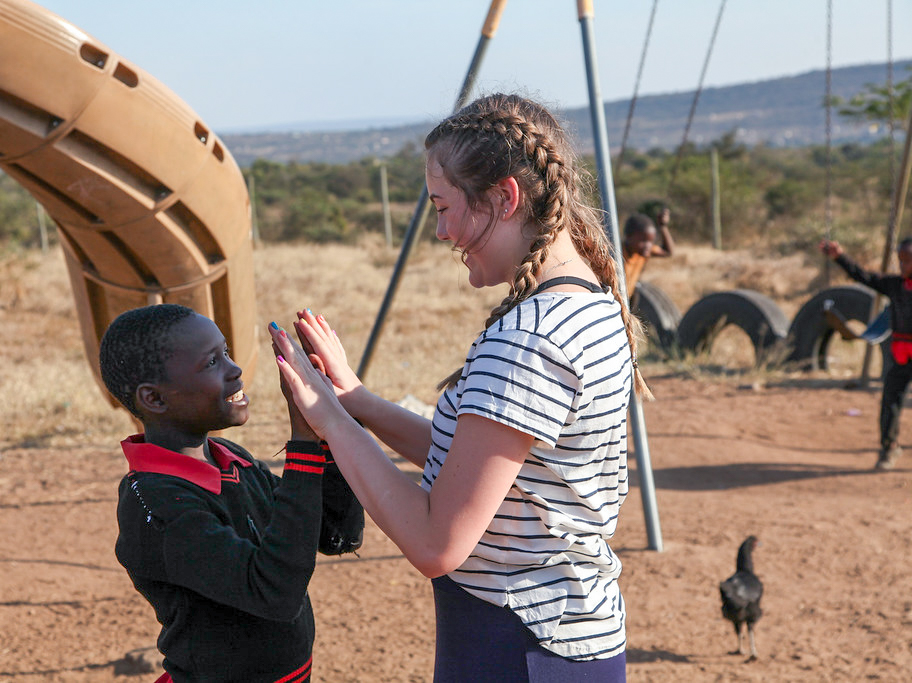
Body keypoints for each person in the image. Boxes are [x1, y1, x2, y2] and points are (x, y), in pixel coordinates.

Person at [270, 93, 651, 682]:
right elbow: (485, 472)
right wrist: (357, 401)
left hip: (514, 647)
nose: (443, 231)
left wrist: (332, 424)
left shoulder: (530, 339)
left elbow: (435, 543)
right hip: (563, 644)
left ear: (504, 197)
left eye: (444, 207)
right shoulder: (589, 304)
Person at [98, 303, 362, 683]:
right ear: (154, 399)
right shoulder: (156, 505)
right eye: (211, 363)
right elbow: (276, 594)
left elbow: (337, 535)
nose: (234, 369)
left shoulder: (231, 461)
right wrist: (303, 444)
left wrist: (330, 429)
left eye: (226, 352)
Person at [820, 237, 912, 470]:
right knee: (890, 403)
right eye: (900, 261)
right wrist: (839, 256)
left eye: (908, 261)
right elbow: (863, 276)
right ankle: (888, 449)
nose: (902, 267)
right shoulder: (895, 286)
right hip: (901, 357)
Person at [622, 207, 674, 297]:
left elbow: (668, 251)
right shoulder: (617, 254)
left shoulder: (642, 252)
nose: (648, 246)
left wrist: (663, 227)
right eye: (643, 241)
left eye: (651, 241)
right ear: (628, 237)